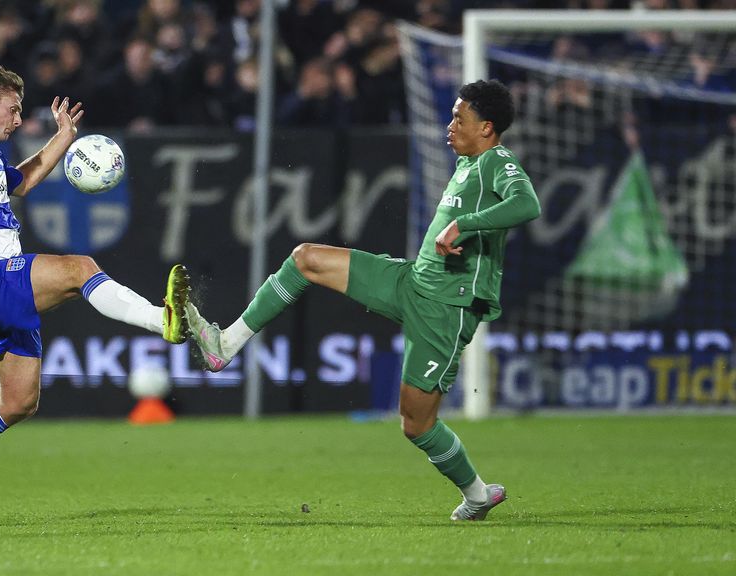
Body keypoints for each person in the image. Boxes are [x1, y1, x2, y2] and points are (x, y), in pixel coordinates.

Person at [186, 79, 540, 521]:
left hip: (446, 310)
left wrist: (465, 225)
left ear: (487, 128)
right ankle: (226, 345)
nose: (449, 126)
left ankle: (476, 494)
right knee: (306, 259)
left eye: (459, 119)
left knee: (416, 424)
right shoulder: (468, 164)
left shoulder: (496, 161)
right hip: (411, 281)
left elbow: (527, 204)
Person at [0, 65, 190, 525]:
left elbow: (28, 178)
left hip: (2, 286)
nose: (18, 120)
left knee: (19, 402)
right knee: (81, 269)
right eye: (13, 109)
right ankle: (164, 321)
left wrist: (64, 135)